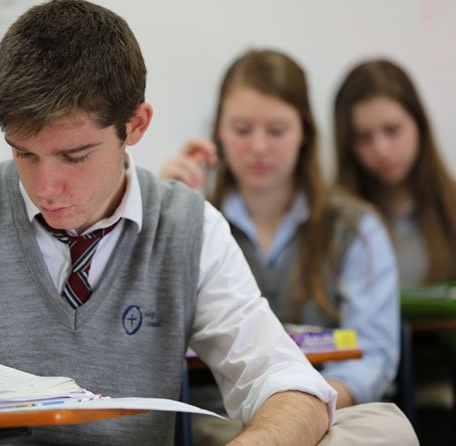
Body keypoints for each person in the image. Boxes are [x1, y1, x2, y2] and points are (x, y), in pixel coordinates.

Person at [0, 2, 418, 445]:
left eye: (75, 157)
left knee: (382, 430)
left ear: (136, 125)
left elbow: (286, 381)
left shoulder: (190, 229)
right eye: (23, 153)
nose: (43, 186)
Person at [161, 49, 400, 410]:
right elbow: (149, 340)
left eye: (276, 130)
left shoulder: (355, 228)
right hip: (216, 417)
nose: (258, 147)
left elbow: (373, 355)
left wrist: (305, 410)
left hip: (332, 411)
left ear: (304, 132)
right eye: (242, 130)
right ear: (218, 133)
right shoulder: (193, 219)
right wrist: (162, 215)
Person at [333, 58, 456, 443]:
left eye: (393, 130)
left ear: (419, 124)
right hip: (369, 398)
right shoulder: (342, 223)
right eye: (363, 137)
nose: (382, 148)